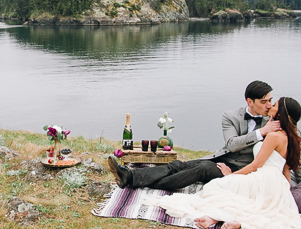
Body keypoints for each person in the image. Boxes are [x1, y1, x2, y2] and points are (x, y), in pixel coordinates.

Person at [143, 97, 301, 229]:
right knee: (238, 199)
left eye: (274, 105)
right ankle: (222, 219)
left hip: (263, 178)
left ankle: (220, 217)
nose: (270, 106)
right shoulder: (291, 137)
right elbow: (286, 169)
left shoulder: (274, 136)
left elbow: (255, 165)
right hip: (277, 183)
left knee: (216, 186)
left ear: (281, 112)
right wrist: (284, 192)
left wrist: (231, 176)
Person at [106, 80, 279, 191]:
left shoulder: (273, 121)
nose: (268, 105)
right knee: (179, 165)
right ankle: (130, 176)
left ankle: (141, 181)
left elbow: (288, 148)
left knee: (200, 170)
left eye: (270, 100)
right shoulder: (231, 116)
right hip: (224, 159)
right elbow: (232, 144)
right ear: (250, 101)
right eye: (264, 101)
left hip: (243, 170)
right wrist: (261, 132)